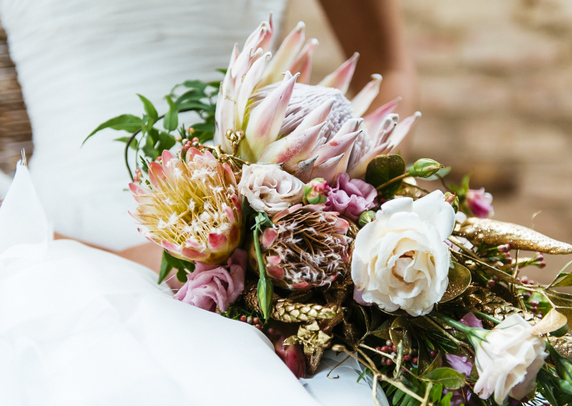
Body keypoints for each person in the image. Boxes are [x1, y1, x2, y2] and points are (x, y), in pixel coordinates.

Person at [0, 1, 415, 405]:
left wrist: (349, 202)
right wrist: (129, 257)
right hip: (50, 243)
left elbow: (390, 69)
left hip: (264, 245)